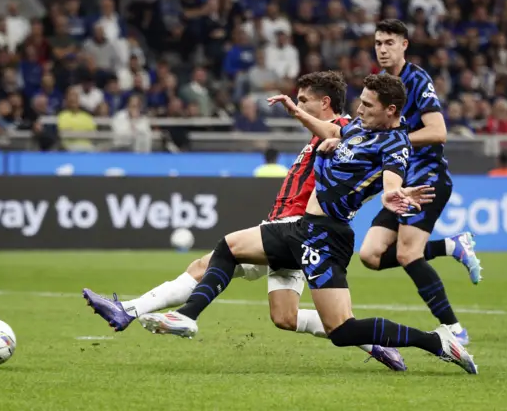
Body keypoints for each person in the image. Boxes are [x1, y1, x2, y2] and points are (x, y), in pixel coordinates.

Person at [135, 74, 478, 374]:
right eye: (361, 102)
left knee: (343, 331)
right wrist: (297, 112)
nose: (360, 110)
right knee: (230, 246)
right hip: (302, 228)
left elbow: (392, 179)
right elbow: (331, 129)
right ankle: (187, 316)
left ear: (391, 110)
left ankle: (436, 342)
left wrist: (392, 195)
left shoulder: (395, 143)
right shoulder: (361, 126)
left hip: (328, 236)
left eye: (369, 105)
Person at [83, 71, 408, 371]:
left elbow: (368, 152)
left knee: (207, 263)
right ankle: (374, 342)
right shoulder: (320, 134)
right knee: (285, 317)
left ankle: (130, 310)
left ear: (324, 103)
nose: (297, 105)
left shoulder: (347, 132)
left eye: (304, 99)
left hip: (299, 227)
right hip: (293, 229)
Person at [267, 19, 481, 346]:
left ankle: (452, 329)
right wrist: (346, 140)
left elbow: (438, 132)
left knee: (409, 254)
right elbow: (355, 130)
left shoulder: (416, 80)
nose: (382, 49)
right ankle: (451, 246)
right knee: (371, 256)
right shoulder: (378, 82)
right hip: (396, 180)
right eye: (378, 43)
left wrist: (392, 142)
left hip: (424, 175)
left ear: (404, 45)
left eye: (389, 43)